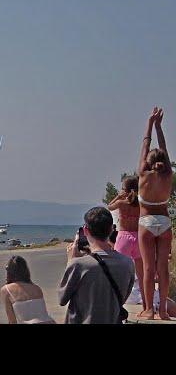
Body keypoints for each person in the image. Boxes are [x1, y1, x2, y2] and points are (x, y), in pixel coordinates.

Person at [59, 207, 135, 324]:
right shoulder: (127, 263)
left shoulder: (78, 265)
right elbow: (123, 298)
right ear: (111, 229)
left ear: (85, 230)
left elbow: (62, 298)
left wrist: (71, 260)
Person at [136, 107, 173, 320]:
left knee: (149, 269)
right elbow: (164, 149)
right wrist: (160, 127)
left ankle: (149, 309)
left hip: (147, 222)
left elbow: (145, 144)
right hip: (165, 223)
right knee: (163, 269)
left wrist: (149, 124)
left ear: (148, 163)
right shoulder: (168, 174)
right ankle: (163, 311)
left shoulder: (143, 174)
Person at [107, 175, 144, 307]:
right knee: (141, 274)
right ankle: (146, 305)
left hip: (123, 238)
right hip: (139, 238)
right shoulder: (141, 203)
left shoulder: (121, 203)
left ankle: (117, 303)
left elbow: (109, 207)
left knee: (117, 272)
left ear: (125, 190)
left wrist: (118, 196)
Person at [0, 255, 55, 324]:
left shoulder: (6, 290)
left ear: (9, 272)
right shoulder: (36, 288)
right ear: (25, 271)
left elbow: (12, 321)